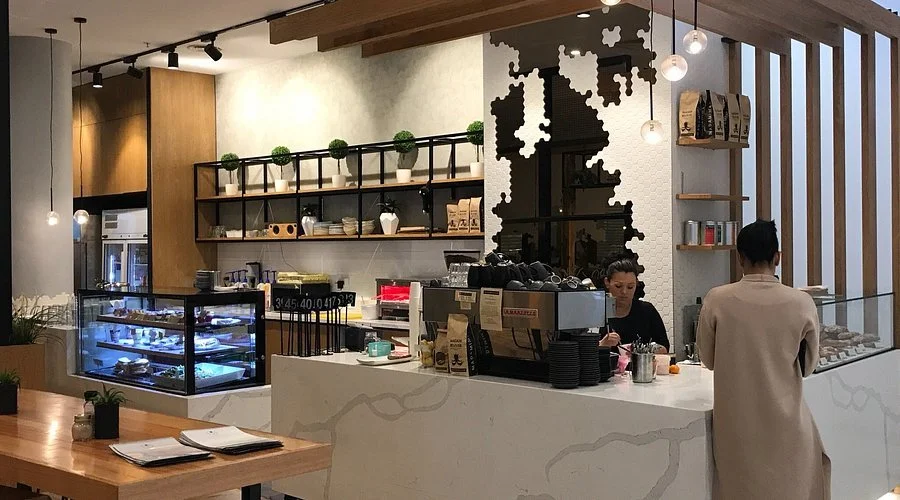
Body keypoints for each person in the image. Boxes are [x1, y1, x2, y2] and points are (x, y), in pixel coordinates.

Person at [697, 220, 830, 500]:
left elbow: (707, 359)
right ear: (778, 257)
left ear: (740, 257)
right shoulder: (801, 302)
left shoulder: (717, 299)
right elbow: (808, 367)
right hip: (788, 426)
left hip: (736, 430)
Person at [599, 258, 669, 353]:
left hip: (641, 366)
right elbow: (582, 352)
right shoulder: (597, 312)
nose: (624, 292)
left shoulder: (646, 311)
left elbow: (664, 347)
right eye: (618, 286)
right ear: (607, 282)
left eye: (630, 287)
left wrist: (643, 352)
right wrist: (601, 345)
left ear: (636, 284)